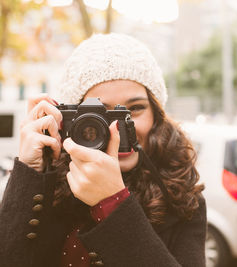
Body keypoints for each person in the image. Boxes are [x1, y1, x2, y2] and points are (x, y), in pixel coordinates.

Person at [0, 33, 206, 267]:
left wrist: (113, 203)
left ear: (156, 116)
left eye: (135, 109)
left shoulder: (183, 197)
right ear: (70, 122)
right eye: (101, 114)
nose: (118, 128)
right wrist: (29, 172)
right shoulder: (49, 184)